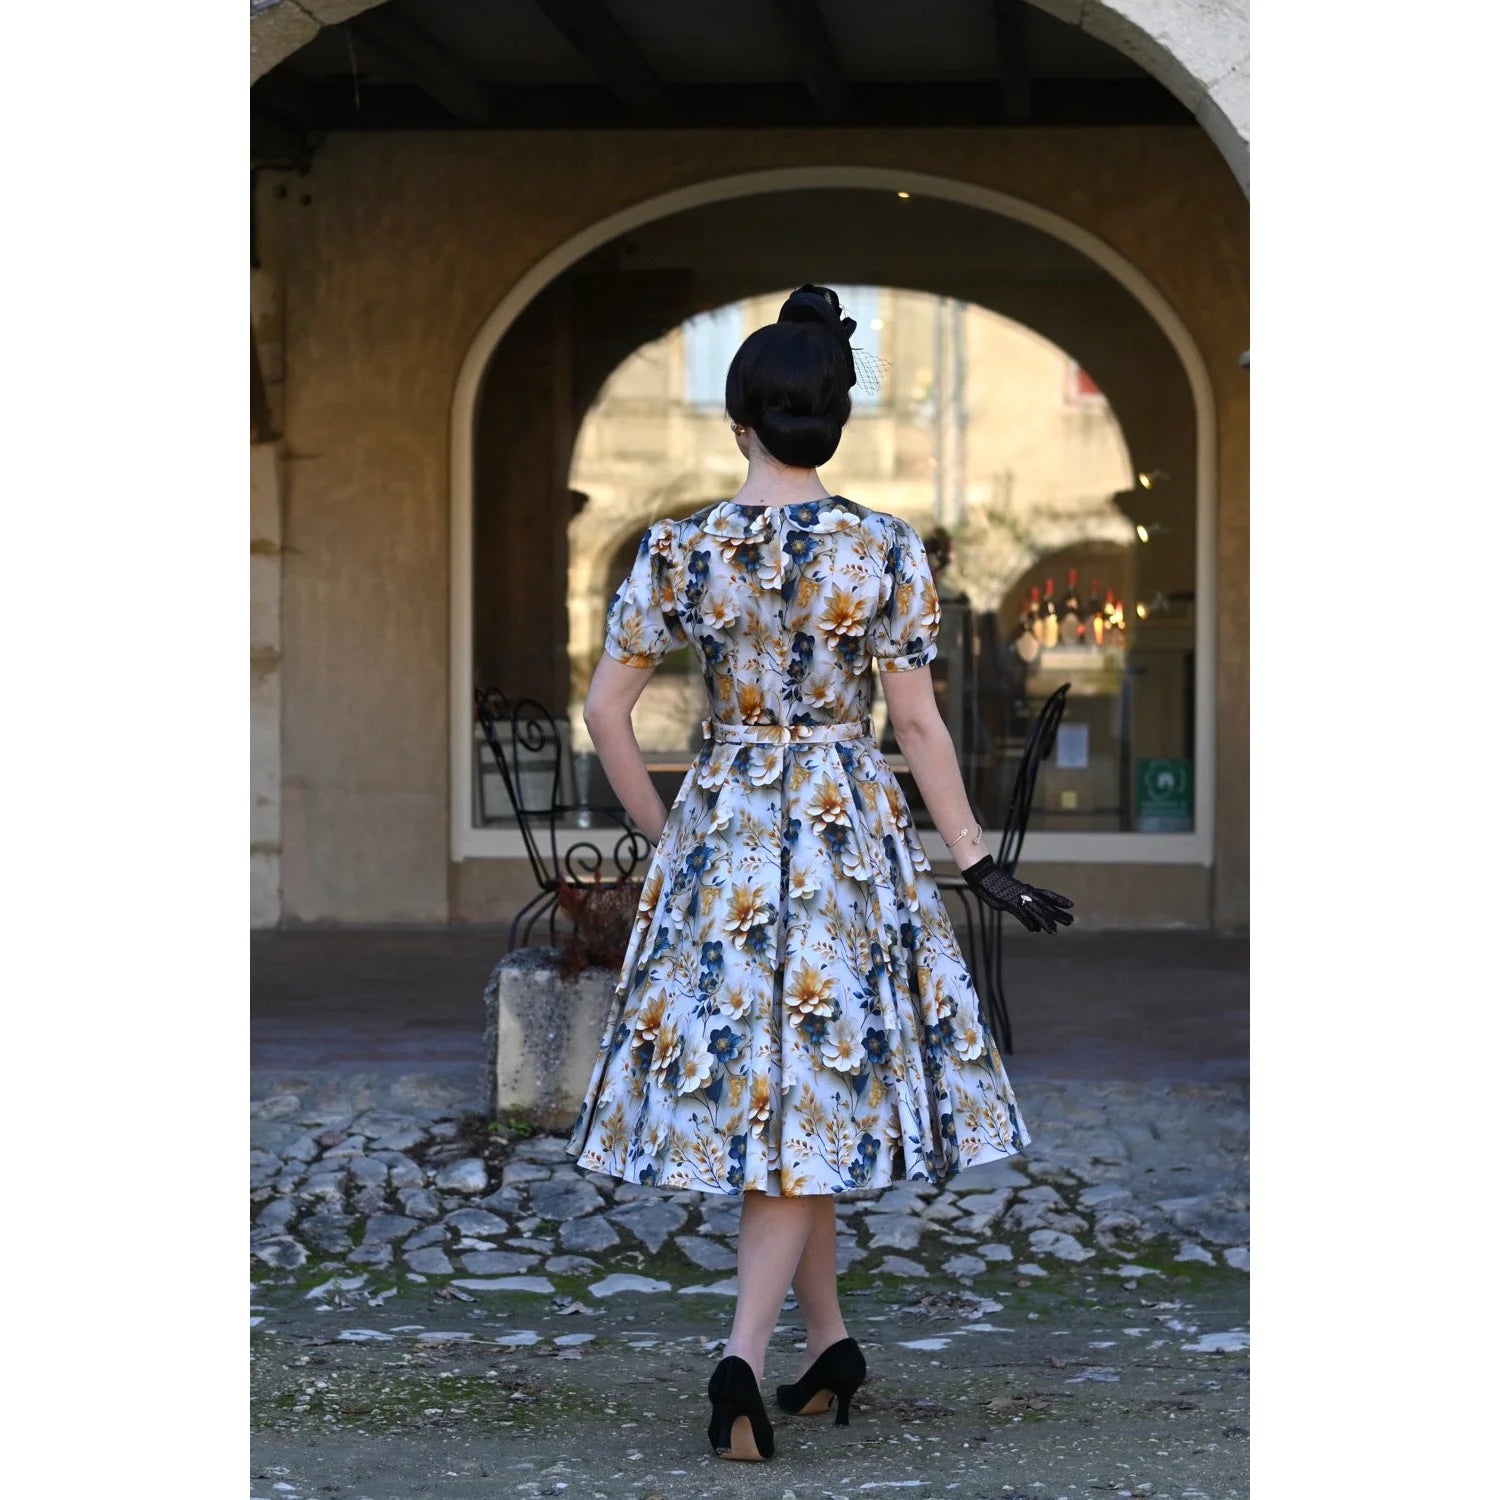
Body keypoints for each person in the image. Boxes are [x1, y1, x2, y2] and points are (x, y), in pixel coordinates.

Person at [566, 284, 1073, 1463]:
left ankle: (787, 1350)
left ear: (738, 422)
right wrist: (977, 860)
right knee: (810, 1101)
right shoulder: (884, 549)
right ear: (831, 427)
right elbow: (922, 729)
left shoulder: (679, 549)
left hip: (728, 833)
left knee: (792, 1107)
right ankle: (769, 1353)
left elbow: (606, 712)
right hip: (847, 837)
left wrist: (663, 834)